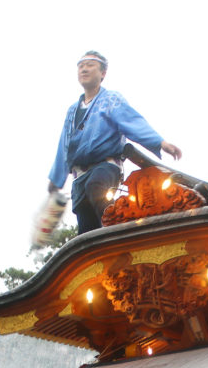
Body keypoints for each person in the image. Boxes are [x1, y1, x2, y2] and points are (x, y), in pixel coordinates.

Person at [48, 51, 182, 233]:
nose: (84, 69)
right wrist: (56, 178)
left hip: (105, 166)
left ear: (103, 73)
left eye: (90, 65)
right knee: (85, 226)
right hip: (79, 175)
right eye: (81, 66)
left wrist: (160, 143)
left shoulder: (110, 99)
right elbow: (64, 144)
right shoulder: (73, 110)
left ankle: (118, 231)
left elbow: (132, 121)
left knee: (96, 188)